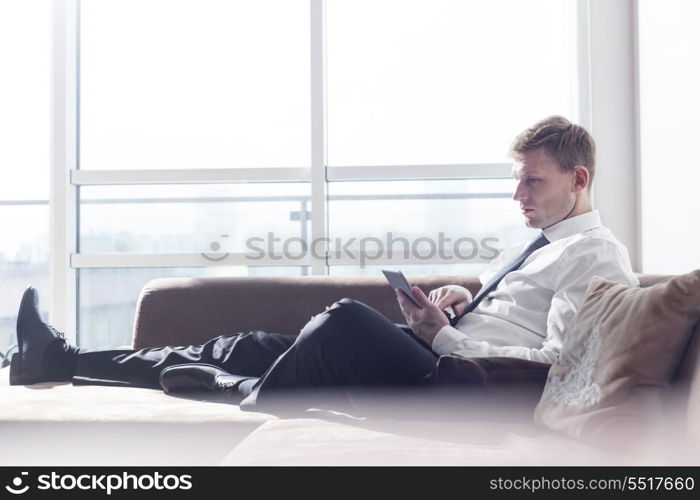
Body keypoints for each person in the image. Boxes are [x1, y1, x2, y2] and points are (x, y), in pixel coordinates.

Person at [9, 116, 638, 411]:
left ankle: (253, 395)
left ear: (578, 178)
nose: (517, 195)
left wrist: (442, 336)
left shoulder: (595, 254)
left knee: (341, 321)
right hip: (441, 350)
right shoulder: (539, 244)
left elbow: (560, 363)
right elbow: (514, 320)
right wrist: (458, 302)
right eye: (517, 181)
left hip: (456, 380)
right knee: (242, 343)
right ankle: (57, 361)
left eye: (531, 181)